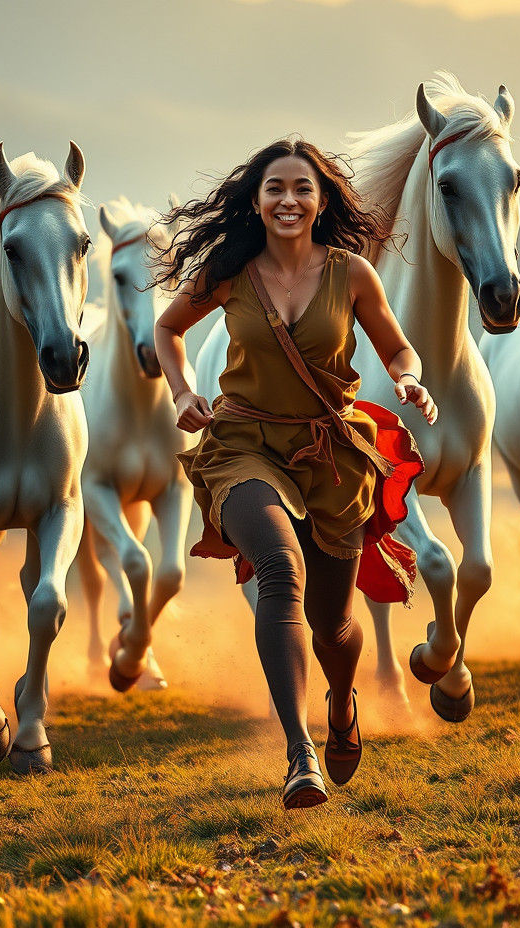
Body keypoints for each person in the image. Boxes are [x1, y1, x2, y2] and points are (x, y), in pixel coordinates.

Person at [152, 137, 437, 809]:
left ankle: (341, 701)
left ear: (320, 200)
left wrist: (410, 379)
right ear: (255, 201)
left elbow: (397, 347)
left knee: (332, 622)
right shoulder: (229, 270)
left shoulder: (352, 274)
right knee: (279, 570)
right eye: (275, 188)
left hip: (333, 456)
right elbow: (168, 331)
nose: (288, 199)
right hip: (244, 444)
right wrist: (182, 392)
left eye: (301, 188)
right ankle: (300, 754)